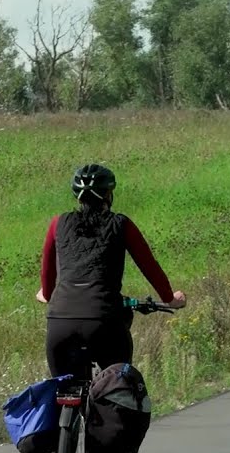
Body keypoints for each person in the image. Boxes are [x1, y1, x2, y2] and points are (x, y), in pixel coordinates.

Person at [36, 163, 186, 380]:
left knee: (61, 388)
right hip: (104, 320)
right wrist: (169, 298)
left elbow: (47, 272)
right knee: (119, 387)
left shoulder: (58, 223)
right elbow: (149, 266)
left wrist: (46, 293)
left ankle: (64, 403)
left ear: (77, 196)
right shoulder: (120, 224)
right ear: (108, 194)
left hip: (60, 323)